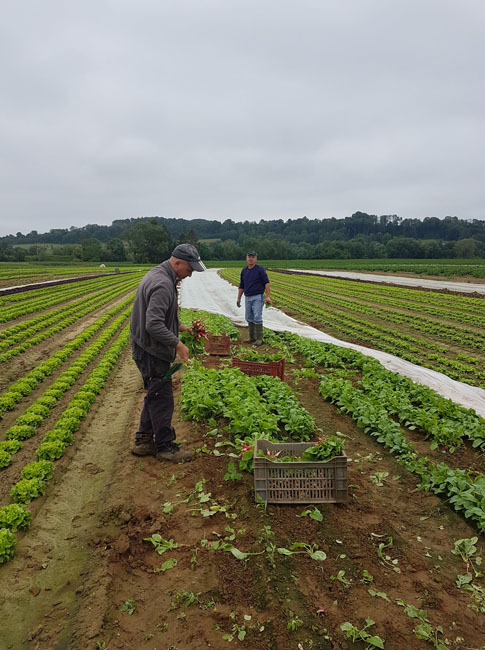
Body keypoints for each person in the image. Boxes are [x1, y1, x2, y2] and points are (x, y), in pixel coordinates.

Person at [130, 243, 206, 462]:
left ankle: (144, 441)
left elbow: (158, 316)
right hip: (151, 351)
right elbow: (153, 324)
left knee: (154, 394)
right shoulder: (163, 284)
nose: (189, 275)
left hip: (145, 347)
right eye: (189, 270)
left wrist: (178, 326)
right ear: (178, 262)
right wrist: (178, 344)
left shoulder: (159, 274)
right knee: (162, 398)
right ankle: (165, 448)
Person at [236, 251, 271, 346]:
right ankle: (252, 338)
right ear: (246, 258)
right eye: (249, 257)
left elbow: (266, 283)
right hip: (247, 297)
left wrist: (267, 296)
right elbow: (242, 285)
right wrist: (239, 298)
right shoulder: (244, 271)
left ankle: (259, 339)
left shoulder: (260, 270)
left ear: (256, 259)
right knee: (249, 317)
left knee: (257, 316)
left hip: (257, 296)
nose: (250, 258)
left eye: (253, 257)